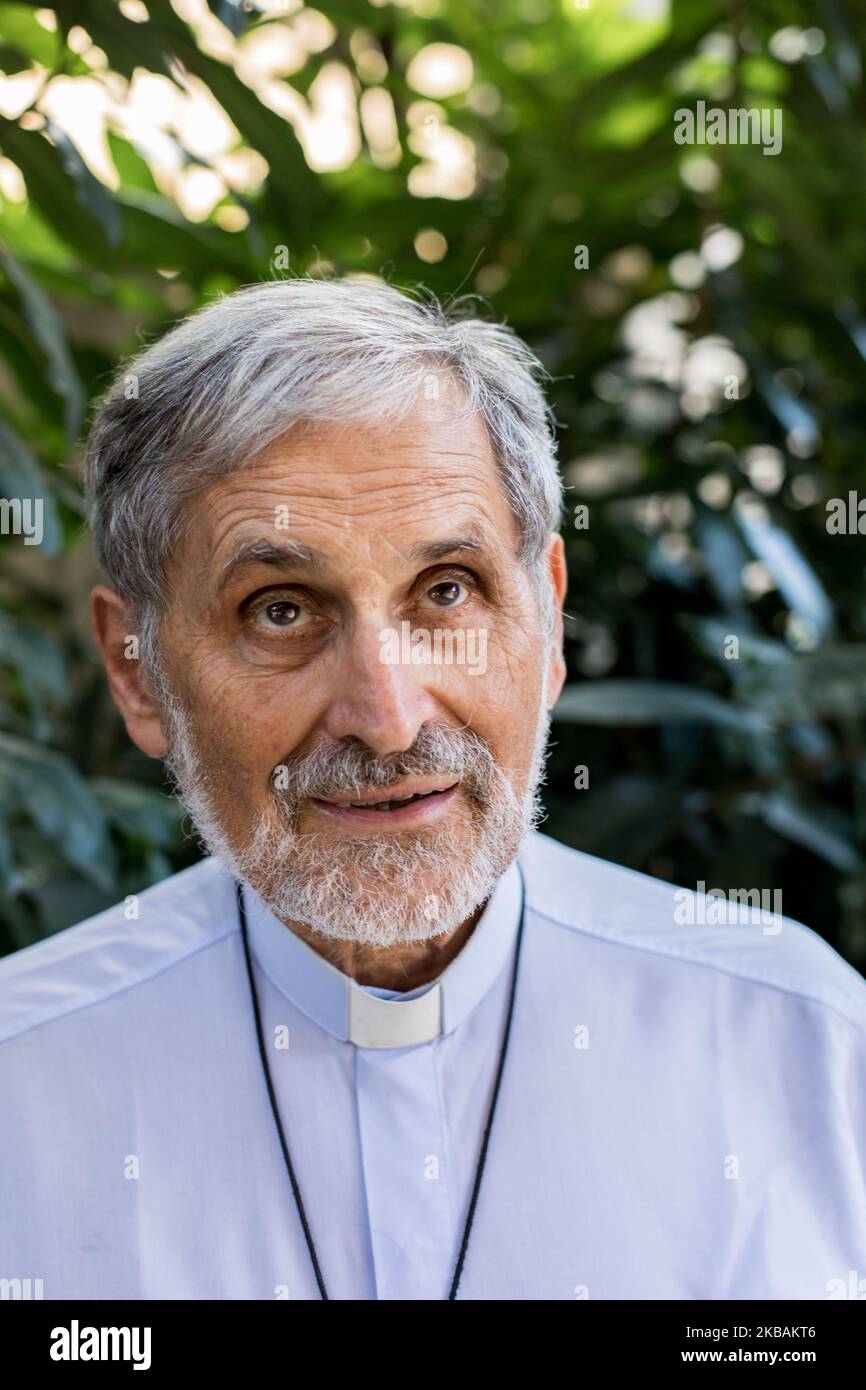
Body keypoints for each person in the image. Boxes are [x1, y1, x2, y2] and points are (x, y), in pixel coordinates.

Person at [0, 277, 864, 1301]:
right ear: (138, 670)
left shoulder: (803, 1044)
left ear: (543, 619)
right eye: (279, 609)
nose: (389, 714)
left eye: (445, 589)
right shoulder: (26, 1083)